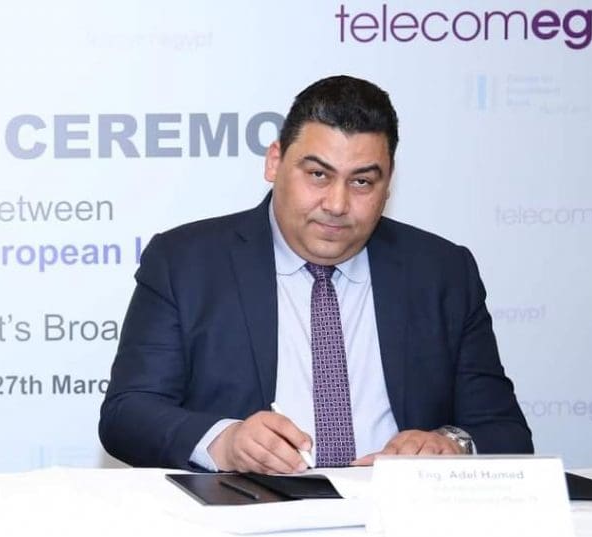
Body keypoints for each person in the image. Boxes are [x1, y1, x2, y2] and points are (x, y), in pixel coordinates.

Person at [99, 75, 533, 474]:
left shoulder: (443, 272)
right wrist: (224, 442)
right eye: (318, 175)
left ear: (388, 184)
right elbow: (128, 413)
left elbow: (506, 432)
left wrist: (450, 444)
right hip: (245, 515)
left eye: (362, 182)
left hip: (399, 518)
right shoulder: (186, 262)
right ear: (274, 162)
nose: (337, 204)